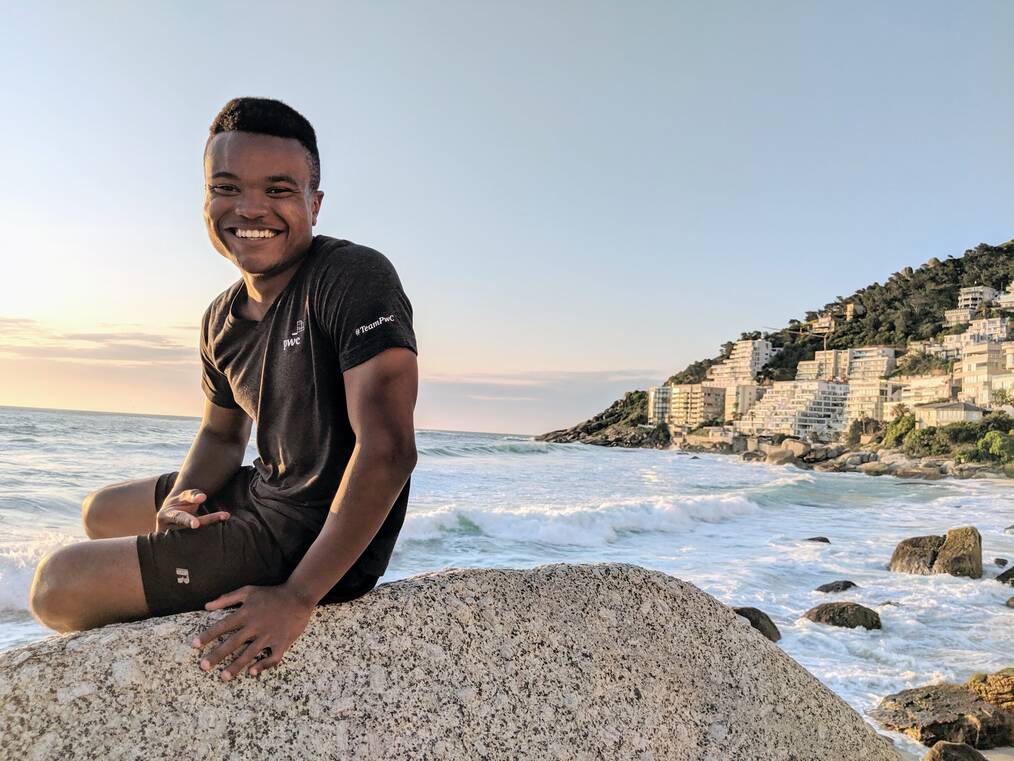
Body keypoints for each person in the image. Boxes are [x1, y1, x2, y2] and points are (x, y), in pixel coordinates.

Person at [28, 97, 419, 680]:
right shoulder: (221, 317)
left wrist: (297, 598)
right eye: (227, 186)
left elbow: (389, 452)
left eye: (279, 189)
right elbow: (220, 433)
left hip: (306, 536)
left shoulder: (352, 277)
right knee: (101, 511)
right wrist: (182, 506)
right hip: (266, 490)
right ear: (206, 197)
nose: (250, 208)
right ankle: (178, 562)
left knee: (58, 587)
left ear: (314, 203)